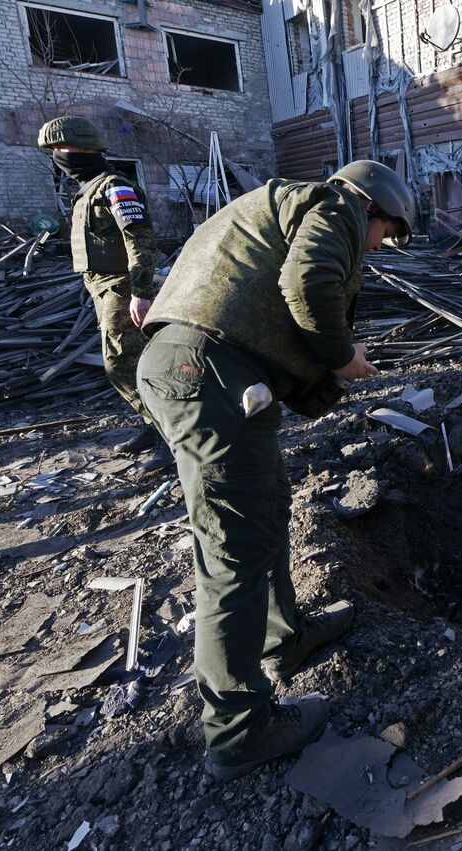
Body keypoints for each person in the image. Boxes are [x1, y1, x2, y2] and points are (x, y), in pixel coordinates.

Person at [136, 160, 417, 781]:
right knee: (233, 552)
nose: (380, 247)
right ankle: (239, 731)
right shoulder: (334, 208)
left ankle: (284, 638)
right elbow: (311, 281)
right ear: (373, 206)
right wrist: (345, 359)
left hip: (203, 367)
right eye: (386, 234)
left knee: (264, 510)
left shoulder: (274, 208)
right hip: (207, 372)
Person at [38, 116, 170, 472]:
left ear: (82, 148)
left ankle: (171, 437)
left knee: (121, 363)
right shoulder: (86, 190)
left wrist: (140, 293)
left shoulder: (115, 187)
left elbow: (140, 241)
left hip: (121, 287)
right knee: (132, 364)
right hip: (100, 286)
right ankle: (152, 426)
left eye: (58, 149)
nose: (55, 156)